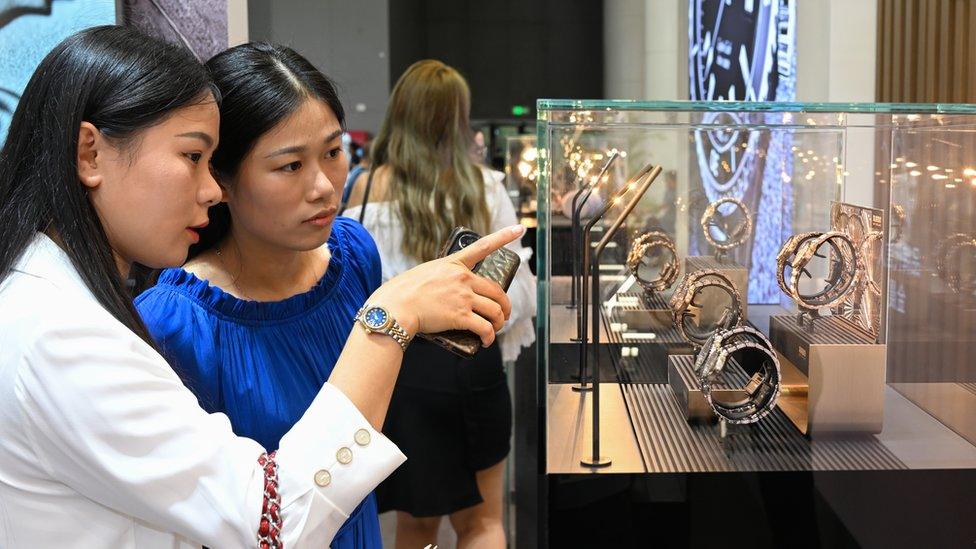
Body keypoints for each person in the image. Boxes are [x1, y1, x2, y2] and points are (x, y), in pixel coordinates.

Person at [0, 26, 522, 547]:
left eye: (334, 152)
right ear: (90, 153)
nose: (208, 189)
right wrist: (388, 319)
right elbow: (270, 520)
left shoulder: (350, 252)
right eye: (191, 158)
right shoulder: (79, 335)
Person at [134, 42, 390, 548]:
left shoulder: (355, 252)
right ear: (221, 178)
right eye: (290, 166)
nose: (323, 186)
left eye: (334, 152)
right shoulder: (173, 324)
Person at [343, 59, 535, 549]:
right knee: (484, 522)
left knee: (415, 524)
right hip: (473, 365)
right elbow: (521, 297)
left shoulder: (364, 187)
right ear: (457, 117)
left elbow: (352, 281)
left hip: (400, 369)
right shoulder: (485, 187)